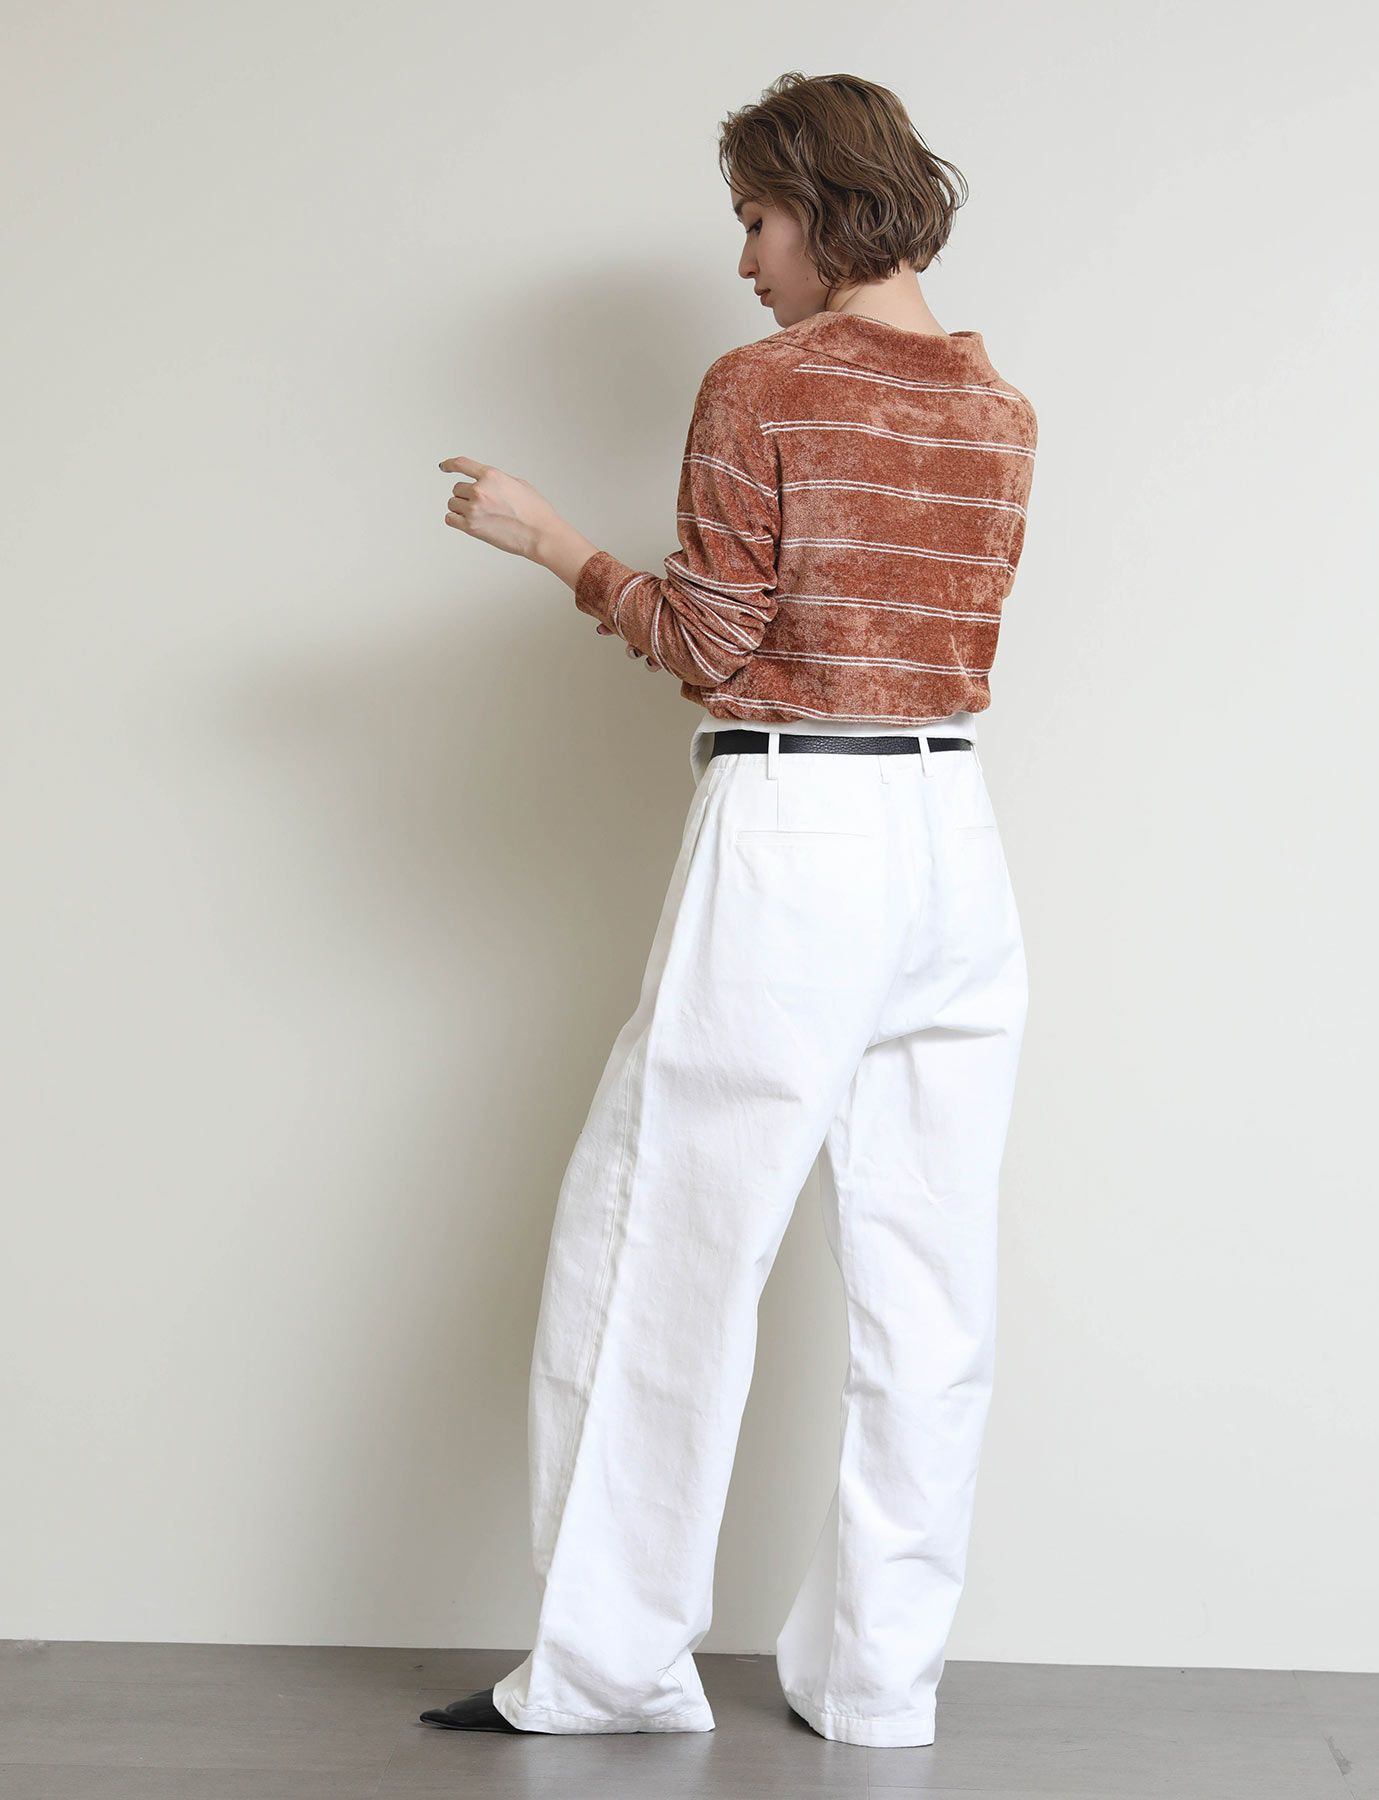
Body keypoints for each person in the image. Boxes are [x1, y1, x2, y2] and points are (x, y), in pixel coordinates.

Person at [422, 70, 1037, 1750]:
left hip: (799, 831)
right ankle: (880, 1686)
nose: (745, 259)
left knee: (661, 1246)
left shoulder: (764, 384)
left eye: (757, 220)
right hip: (955, 839)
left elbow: (710, 645)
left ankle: (608, 1670)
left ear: (824, 209)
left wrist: (551, 540)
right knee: (931, 1287)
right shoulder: (1000, 408)